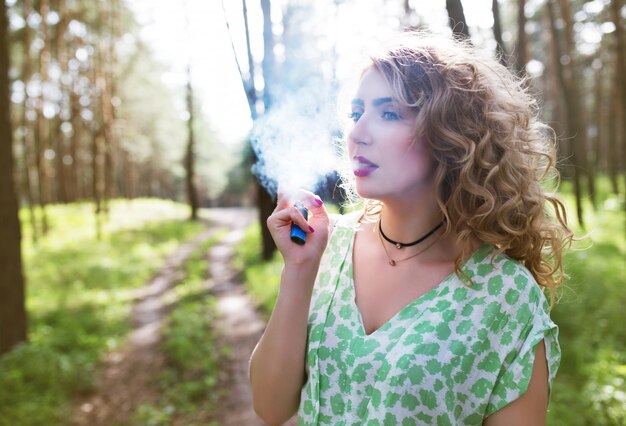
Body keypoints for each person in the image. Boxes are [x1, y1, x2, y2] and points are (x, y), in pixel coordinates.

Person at [249, 32, 573, 426]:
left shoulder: (505, 298)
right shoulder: (325, 246)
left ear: (453, 135)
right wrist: (299, 271)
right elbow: (271, 407)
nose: (356, 134)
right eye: (356, 114)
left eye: (389, 114)